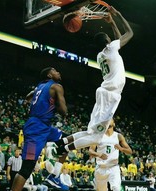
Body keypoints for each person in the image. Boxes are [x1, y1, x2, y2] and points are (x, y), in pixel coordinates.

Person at [53, 6, 133, 156]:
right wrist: (118, 15)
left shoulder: (101, 54)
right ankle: (62, 149)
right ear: (108, 41)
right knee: (96, 137)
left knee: (91, 131)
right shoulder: (111, 49)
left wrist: (111, 23)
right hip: (110, 95)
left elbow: (118, 39)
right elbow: (129, 33)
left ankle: (61, 142)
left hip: (104, 93)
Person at [0, 67, 67, 191]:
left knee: (66, 141)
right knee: (27, 168)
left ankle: (55, 175)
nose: (58, 72)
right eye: (55, 71)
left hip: (44, 127)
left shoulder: (40, 87)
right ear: (49, 75)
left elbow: (29, 96)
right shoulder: (56, 86)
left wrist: (31, 101)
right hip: (36, 129)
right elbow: (64, 111)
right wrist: (57, 104)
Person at [89, 119, 132, 191]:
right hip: (101, 168)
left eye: (111, 120)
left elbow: (130, 151)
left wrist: (121, 148)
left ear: (114, 123)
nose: (108, 121)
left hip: (114, 167)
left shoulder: (118, 136)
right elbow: (90, 151)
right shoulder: (98, 136)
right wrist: (98, 155)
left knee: (117, 189)